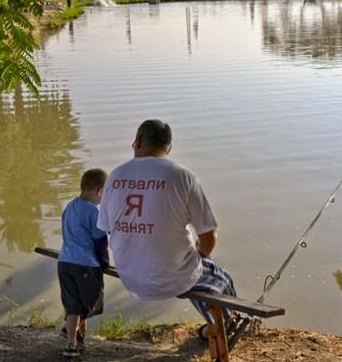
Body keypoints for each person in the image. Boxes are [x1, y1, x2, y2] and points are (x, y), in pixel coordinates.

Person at [97, 119, 241, 342]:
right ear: (169, 148)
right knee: (220, 278)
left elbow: (106, 229)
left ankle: (216, 326)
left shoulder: (115, 176)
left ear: (137, 141)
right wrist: (200, 255)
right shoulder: (181, 176)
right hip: (170, 278)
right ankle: (222, 327)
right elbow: (209, 237)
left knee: (193, 270)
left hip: (130, 275)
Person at [58, 168, 109, 358]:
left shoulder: (69, 207)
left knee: (72, 303)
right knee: (93, 300)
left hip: (64, 262)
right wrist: (103, 262)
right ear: (100, 191)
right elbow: (100, 240)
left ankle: (72, 343)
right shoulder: (93, 211)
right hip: (85, 263)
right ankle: (72, 327)